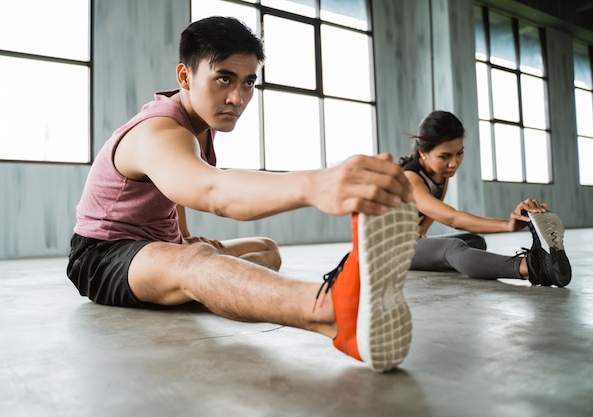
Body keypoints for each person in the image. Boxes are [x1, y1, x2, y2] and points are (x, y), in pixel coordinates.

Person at [67, 16, 419, 372]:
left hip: (157, 248)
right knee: (197, 262)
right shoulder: (158, 131)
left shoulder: (198, 124)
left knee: (266, 250)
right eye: (223, 78)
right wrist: (315, 184)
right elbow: (212, 190)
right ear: (185, 76)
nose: (237, 98)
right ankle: (331, 312)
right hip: (102, 255)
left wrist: (184, 237)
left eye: (248, 82)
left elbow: (174, 188)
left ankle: (199, 283)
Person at [399, 110, 571, 287]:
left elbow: (430, 214)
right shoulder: (411, 179)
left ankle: (451, 260)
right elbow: (452, 217)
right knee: (451, 248)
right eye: (444, 156)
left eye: (459, 153)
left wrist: (420, 236)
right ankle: (532, 267)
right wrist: (507, 225)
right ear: (423, 153)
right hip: (390, 251)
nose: (454, 163)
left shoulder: (442, 173)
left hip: (409, 241)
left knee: (475, 241)